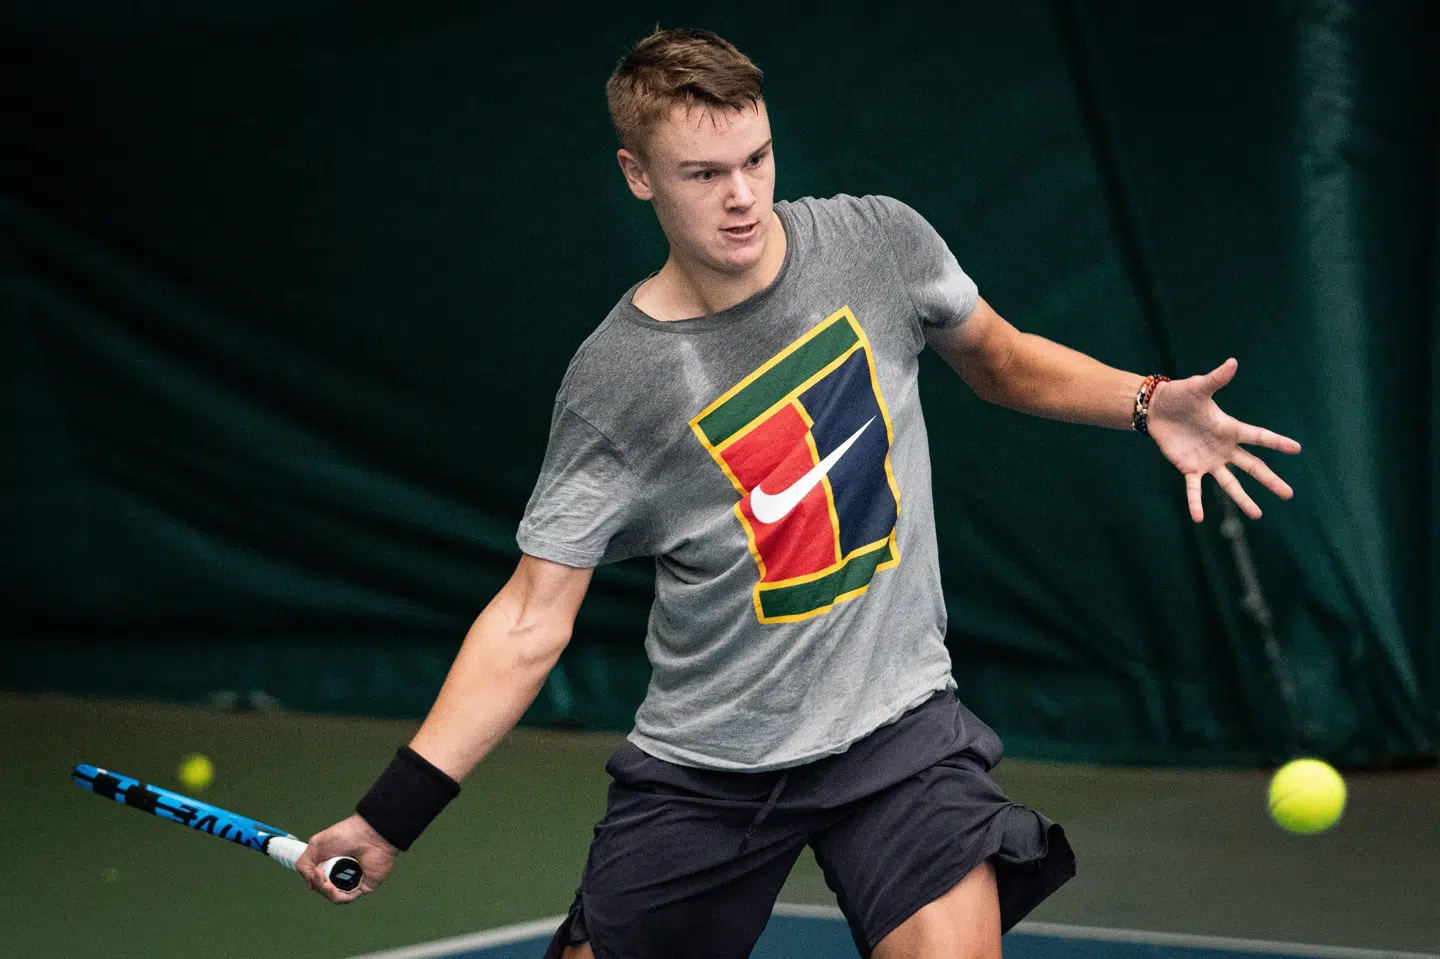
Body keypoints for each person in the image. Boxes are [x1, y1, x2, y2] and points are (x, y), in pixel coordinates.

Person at [297, 26, 1301, 959]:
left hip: (899, 731)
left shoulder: (879, 244)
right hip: (712, 767)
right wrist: (392, 813)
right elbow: (528, 618)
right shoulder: (615, 385)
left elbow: (999, 360)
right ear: (636, 175)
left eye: (756, 160)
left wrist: (1145, 400)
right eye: (703, 173)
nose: (742, 195)